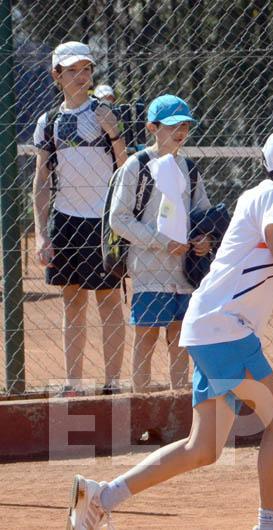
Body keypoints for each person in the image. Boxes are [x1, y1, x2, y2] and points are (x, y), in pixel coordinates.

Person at [65, 125, 273, 530]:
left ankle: (100, 497)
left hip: (214, 329)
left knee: (202, 448)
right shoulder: (266, 196)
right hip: (224, 328)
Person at [32, 41, 128, 396]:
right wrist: (43, 234)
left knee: (108, 302)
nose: (81, 76)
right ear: (57, 75)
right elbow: (41, 179)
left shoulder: (104, 114)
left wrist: (114, 133)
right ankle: (73, 384)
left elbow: (125, 170)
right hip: (66, 220)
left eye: (86, 69)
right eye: (72, 70)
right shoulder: (49, 122)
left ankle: (113, 384)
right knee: (72, 302)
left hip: (102, 223)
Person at [109, 94, 212, 392]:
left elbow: (202, 214)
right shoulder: (136, 166)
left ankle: (178, 404)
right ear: (152, 128)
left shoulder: (189, 168)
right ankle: (141, 403)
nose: (180, 131)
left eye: (184, 125)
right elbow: (119, 218)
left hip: (184, 273)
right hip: (150, 271)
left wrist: (204, 239)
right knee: (147, 337)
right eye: (171, 125)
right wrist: (160, 241)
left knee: (180, 338)